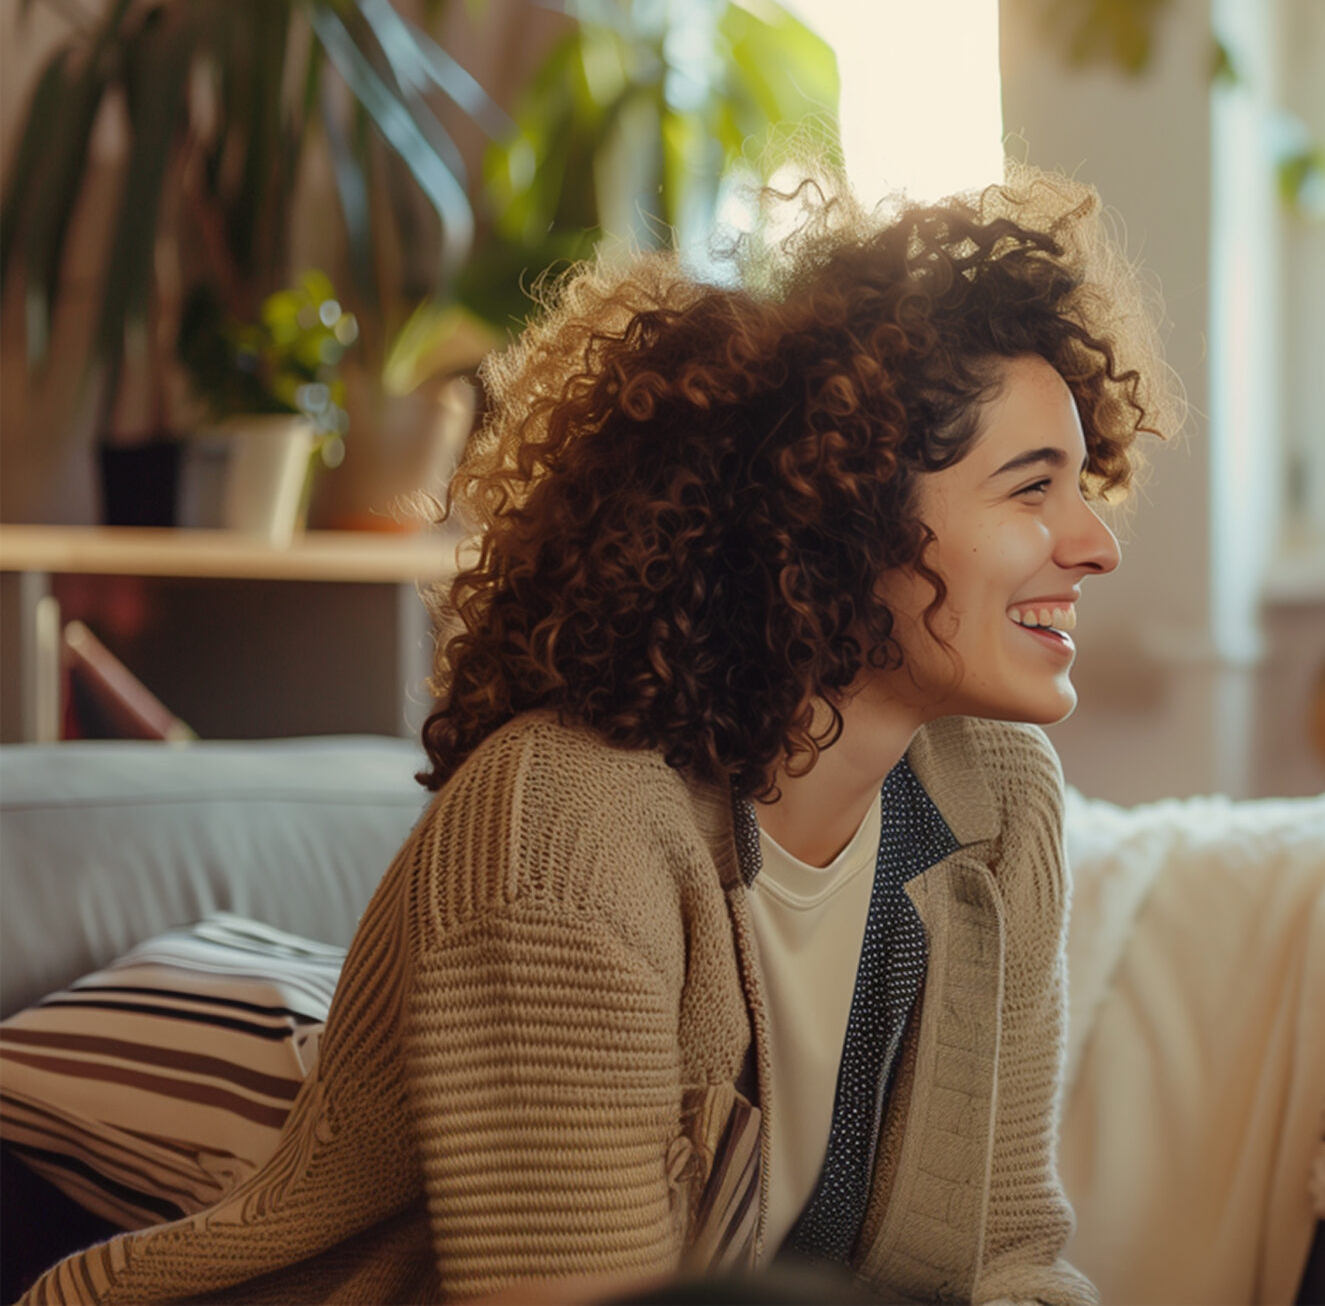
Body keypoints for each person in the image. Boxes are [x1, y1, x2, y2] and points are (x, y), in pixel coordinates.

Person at [21, 172, 1166, 1306]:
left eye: (1082, 484)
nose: (1094, 545)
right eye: (1031, 489)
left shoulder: (997, 793)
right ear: (836, 509)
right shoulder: (563, 829)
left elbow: (1006, 1257)